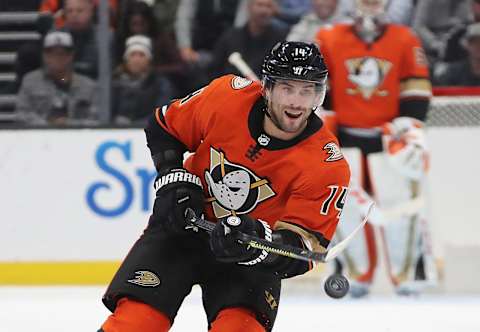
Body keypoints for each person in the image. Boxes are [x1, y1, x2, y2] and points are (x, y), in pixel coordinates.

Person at [99, 41, 350, 331]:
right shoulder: (226, 96)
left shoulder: (326, 164)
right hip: (183, 230)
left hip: (248, 259)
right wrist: (174, 180)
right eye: (287, 88)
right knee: (135, 323)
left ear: (320, 94)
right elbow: (163, 127)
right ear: (267, 88)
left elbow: (303, 249)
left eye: (307, 91)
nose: (297, 102)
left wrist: (260, 244)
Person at [316, 0, 436, 297]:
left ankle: (409, 277)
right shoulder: (328, 38)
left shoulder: (405, 38)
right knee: (343, 213)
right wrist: (325, 135)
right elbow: (320, 92)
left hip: (388, 141)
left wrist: (405, 130)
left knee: (400, 211)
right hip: (344, 142)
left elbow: (417, 91)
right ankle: (354, 277)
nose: (369, 7)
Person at [16, 30, 98, 126]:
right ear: (44, 56)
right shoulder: (30, 81)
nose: (57, 58)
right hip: (39, 137)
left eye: (62, 54)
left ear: (71, 55)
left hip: (77, 137)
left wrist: (68, 124)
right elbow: (21, 115)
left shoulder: (88, 86)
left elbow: (96, 119)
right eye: (52, 54)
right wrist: (48, 125)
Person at [208, 0, 288, 80]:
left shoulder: (280, 42)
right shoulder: (230, 36)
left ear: (275, 10)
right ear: (249, 7)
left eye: (269, 6)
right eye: (260, 5)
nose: (263, 11)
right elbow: (214, 69)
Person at [111, 35, 175, 126]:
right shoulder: (115, 84)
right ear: (126, 59)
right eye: (132, 55)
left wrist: (133, 125)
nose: (136, 60)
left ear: (149, 60)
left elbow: (161, 115)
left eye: (141, 55)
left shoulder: (160, 84)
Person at [434, 22, 480, 86]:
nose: (478, 46)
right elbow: (441, 91)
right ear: (467, 45)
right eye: (474, 42)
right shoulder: (453, 71)